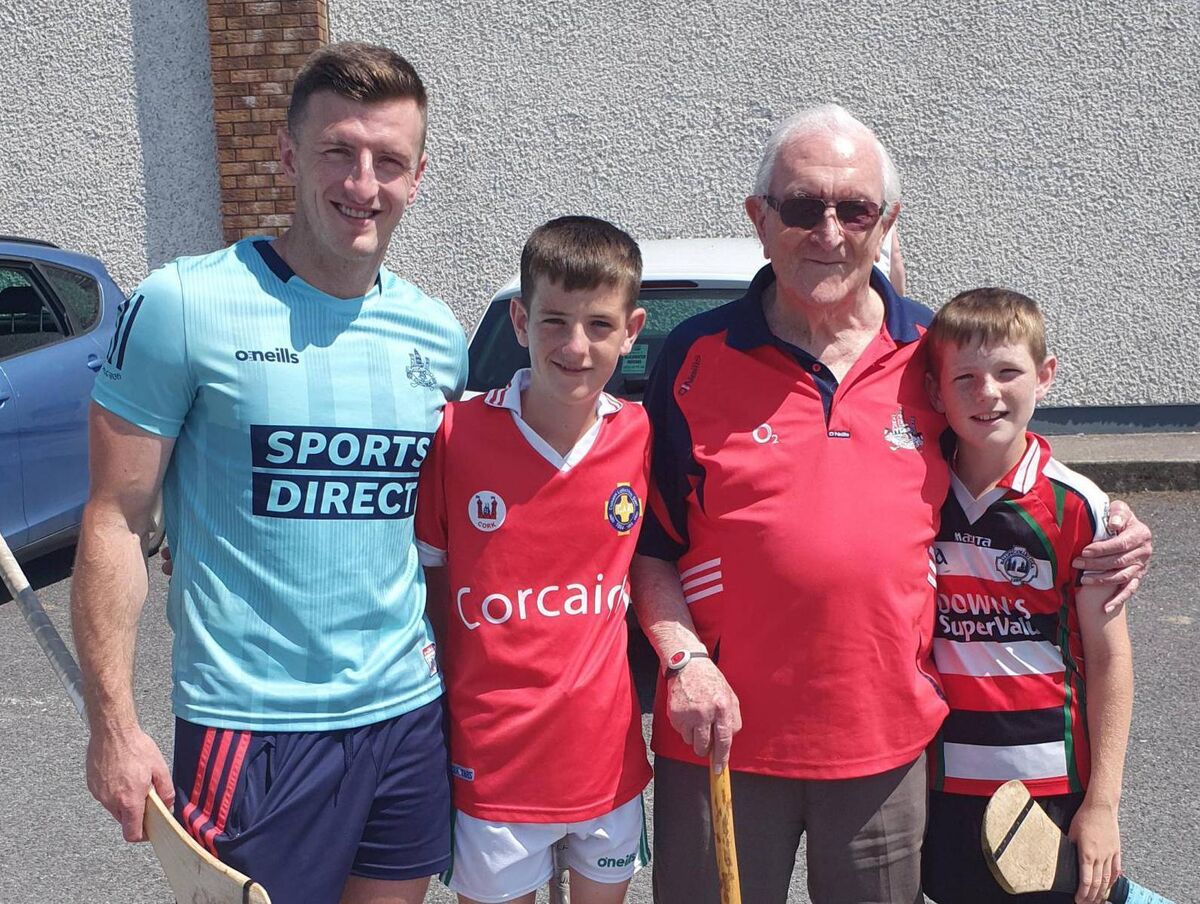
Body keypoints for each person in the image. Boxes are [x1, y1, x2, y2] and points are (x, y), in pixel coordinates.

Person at [629, 104, 1152, 904]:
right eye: (803, 206)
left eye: (854, 209)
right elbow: (650, 546)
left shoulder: (932, 355)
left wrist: (1110, 521)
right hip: (719, 738)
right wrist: (684, 661)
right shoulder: (694, 357)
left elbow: (1005, 449)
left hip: (884, 751)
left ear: (887, 223)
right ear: (760, 219)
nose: (829, 231)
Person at [70, 43, 466, 904]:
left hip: (405, 715)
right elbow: (115, 519)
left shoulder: (436, 336)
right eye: (338, 152)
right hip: (251, 729)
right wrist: (114, 726)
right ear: (288, 155)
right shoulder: (183, 305)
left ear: (417, 176)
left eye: (389, 161)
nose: (362, 183)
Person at [415, 216, 652, 904]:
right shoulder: (455, 435)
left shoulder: (640, 435)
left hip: (605, 764)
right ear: (520, 320)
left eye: (600, 325)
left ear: (632, 331)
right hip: (492, 767)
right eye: (554, 321)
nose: (575, 346)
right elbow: (426, 588)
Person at [921, 289, 1132, 904]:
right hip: (937, 782)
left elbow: (1111, 659)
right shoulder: (913, 490)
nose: (987, 392)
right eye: (964, 377)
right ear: (935, 391)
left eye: (1008, 372)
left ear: (1044, 376)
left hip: (1050, 783)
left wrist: (1103, 804)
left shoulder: (1078, 506)